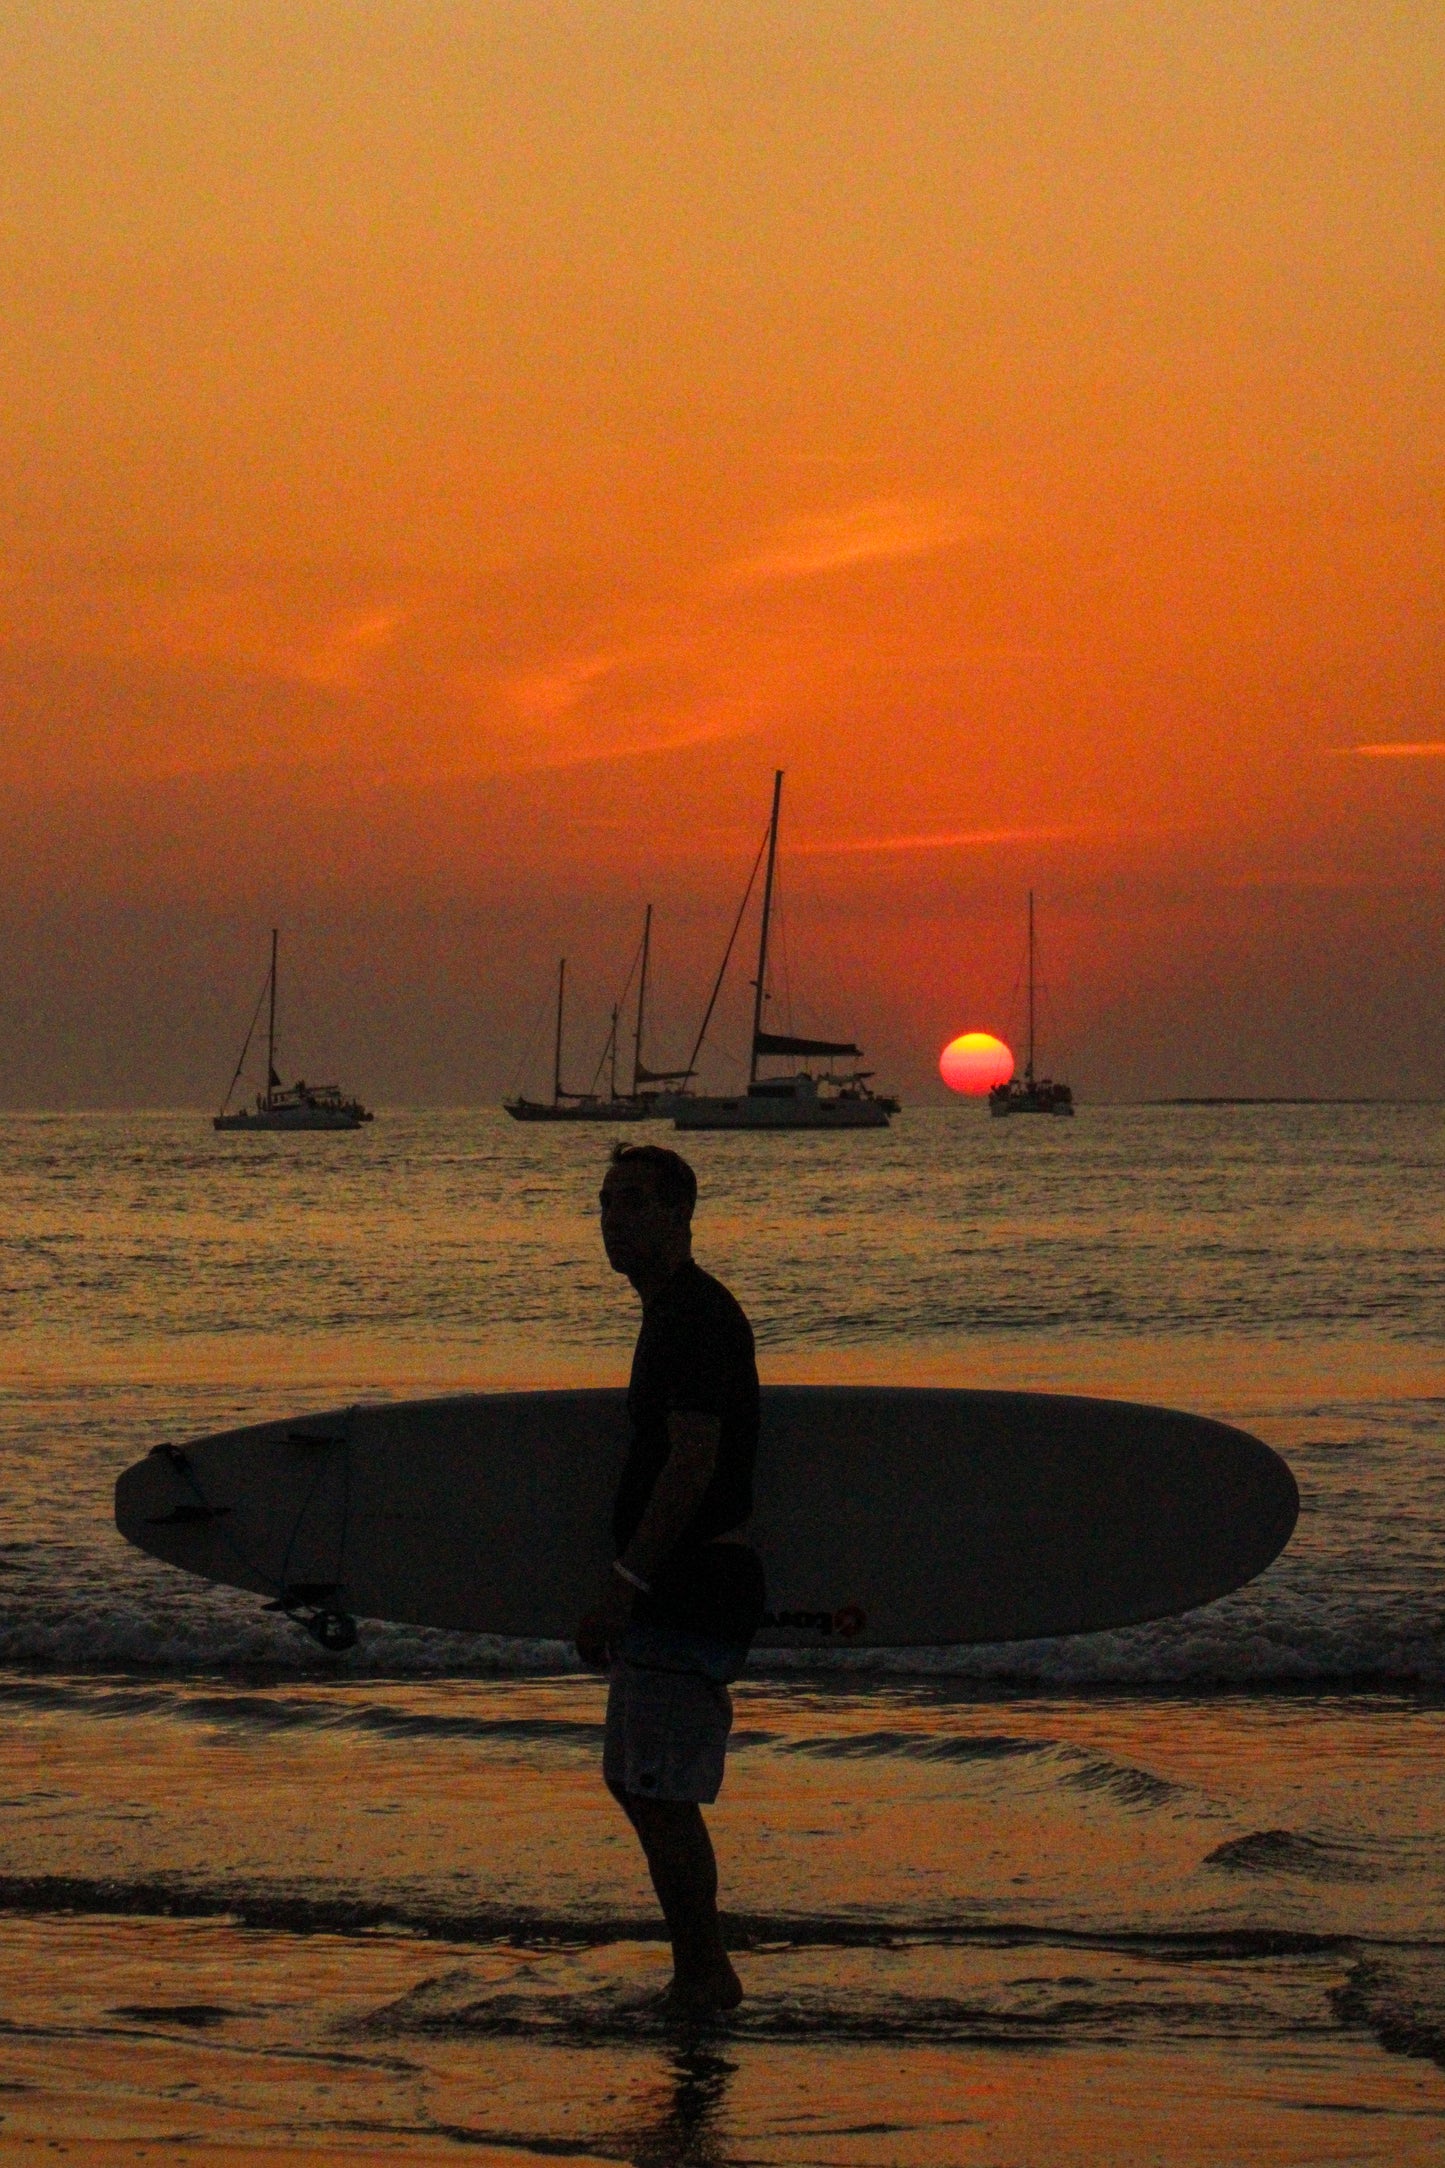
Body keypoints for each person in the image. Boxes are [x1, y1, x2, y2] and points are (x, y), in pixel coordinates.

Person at [576, 1142, 763, 2017]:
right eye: (607, 1203)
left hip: (689, 1586)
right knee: (640, 1781)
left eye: (636, 1202)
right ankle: (698, 1969)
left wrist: (624, 1583)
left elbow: (692, 1462)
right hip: (678, 1585)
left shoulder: (692, 1316)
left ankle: (704, 1975)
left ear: (682, 1216)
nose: (616, 1219)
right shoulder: (672, 1313)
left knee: (656, 1786)